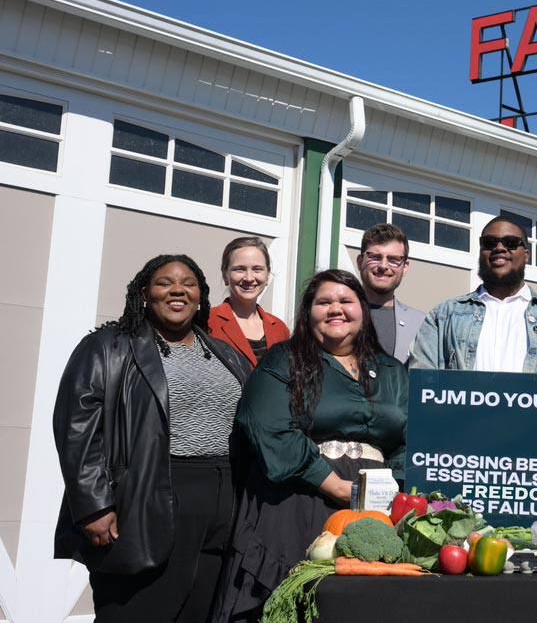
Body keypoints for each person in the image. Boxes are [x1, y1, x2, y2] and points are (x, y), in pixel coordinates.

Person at [52, 255, 251, 623]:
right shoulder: (108, 347)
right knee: (136, 611)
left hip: (222, 499)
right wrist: (94, 504)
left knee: (200, 611)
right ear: (144, 292)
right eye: (165, 282)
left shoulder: (225, 354)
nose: (178, 290)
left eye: (189, 284)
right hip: (145, 495)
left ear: (201, 296)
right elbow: (76, 428)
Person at [213, 270, 407, 622]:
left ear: (363, 311)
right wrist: (333, 485)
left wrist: (394, 488)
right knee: (290, 602)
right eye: (324, 302)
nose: (336, 309)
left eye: (346, 301)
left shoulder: (393, 370)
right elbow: (266, 423)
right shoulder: (282, 360)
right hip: (296, 498)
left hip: (378, 509)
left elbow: (409, 438)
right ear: (308, 313)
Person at [408, 216, 537, 374]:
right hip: (462, 416)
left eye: (511, 242)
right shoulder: (443, 316)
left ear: (526, 255)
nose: (500, 247)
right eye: (489, 243)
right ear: (481, 252)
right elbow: (421, 386)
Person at [207, 236, 290, 368]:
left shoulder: (280, 329)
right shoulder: (208, 322)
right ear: (225, 275)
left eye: (257, 269)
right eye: (240, 269)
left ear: (268, 275)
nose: (249, 278)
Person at [355, 223, 426, 362]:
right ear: (359, 261)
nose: (383, 266)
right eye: (375, 257)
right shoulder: (337, 314)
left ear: (405, 267)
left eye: (393, 259)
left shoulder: (423, 325)